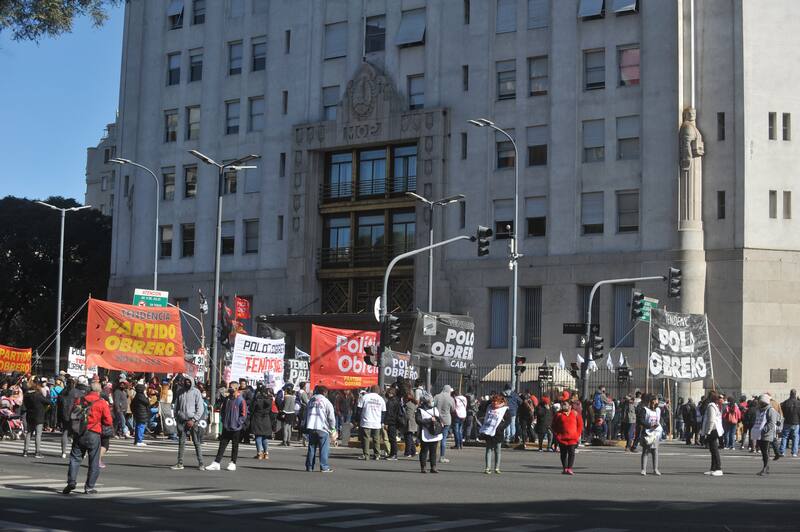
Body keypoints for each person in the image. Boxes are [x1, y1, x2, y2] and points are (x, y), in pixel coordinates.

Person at [63, 382, 113, 495]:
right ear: (99, 391)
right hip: (94, 432)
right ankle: (89, 487)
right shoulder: (101, 402)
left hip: (79, 432)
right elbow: (108, 421)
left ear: (89, 389)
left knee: (75, 458)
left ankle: (71, 481)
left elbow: (72, 414)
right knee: (94, 461)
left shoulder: (80, 400)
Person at [206, 383, 247, 471]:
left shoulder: (240, 400)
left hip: (236, 427)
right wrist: (224, 420)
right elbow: (223, 410)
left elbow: (243, 414)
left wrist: (238, 423)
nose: (229, 389)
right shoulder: (227, 399)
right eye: (229, 387)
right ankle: (216, 462)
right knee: (222, 445)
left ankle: (233, 462)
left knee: (235, 446)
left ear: (236, 388)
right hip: (227, 426)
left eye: (231, 387)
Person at [171, 376, 205, 470]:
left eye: (189, 382)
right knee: (181, 442)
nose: (187, 383)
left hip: (192, 421)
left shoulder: (196, 392)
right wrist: (176, 417)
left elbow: (200, 408)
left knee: (196, 442)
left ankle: (201, 463)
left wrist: (193, 420)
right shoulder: (180, 392)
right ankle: (180, 463)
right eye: (186, 381)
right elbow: (176, 406)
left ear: (192, 382)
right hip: (181, 420)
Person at [304, 385, 336, 472]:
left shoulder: (311, 401)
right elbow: (331, 417)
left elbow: (305, 413)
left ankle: (309, 466)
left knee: (311, 447)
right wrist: (333, 428)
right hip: (322, 427)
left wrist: (305, 425)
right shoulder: (326, 401)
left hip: (311, 426)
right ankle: (324, 467)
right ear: (325, 392)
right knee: (324, 448)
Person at [479, 393, 511, 474]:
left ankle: (497, 468)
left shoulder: (504, 409)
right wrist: (489, 400)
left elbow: (508, 421)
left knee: (497, 450)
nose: (493, 403)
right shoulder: (489, 407)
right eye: (492, 401)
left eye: (495, 401)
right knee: (488, 449)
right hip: (488, 431)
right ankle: (487, 468)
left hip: (498, 432)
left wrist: (501, 427)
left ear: (499, 402)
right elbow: (481, 408)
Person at [552, 399, 582, 475]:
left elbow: (580, 425)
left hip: (572, 438)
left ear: (570, 406)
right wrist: (557, 435)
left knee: (571, 452)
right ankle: (565, 468)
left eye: (565, 404)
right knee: (563, 453)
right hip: (562, 438)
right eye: (563, 404)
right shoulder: (559, 414)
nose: (563, 406)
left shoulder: (575, 414)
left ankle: (569, 468)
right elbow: (554, 426)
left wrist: (577, 435)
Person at [22, 379, 50, 458]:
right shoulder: (38, 395)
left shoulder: (26, 395)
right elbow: (48, 401)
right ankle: (37, 452)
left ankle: (25, 451)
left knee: (29, 433)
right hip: (39, 415)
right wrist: (47, 395)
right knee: (38, 434)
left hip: (29, 415)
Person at [415, 393, 442, 473]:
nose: (431, 402)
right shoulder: (420, 410)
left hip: (434, 433)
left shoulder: (435, 409)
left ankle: (433, 467)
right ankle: (423, 467)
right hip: (425, 433)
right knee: (424, 450)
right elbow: (418, 421)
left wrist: (439, 422)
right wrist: (430, 420)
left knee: (433, 451)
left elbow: (439, 419)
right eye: (430, 401)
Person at [358, 385, 386, 460]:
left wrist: (358, 420)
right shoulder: (381, 399)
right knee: (376, 439)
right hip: (377, 422)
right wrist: (382, 422)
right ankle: (377, 455)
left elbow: (359, 409)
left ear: (371, 390)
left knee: (366, 439)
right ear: (378, 391)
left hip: (366, 421)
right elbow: (383, 412)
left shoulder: (365, 397)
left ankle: (366, 455)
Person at [700, 390, 724, 476]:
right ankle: (713, 468)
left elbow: (711, 420)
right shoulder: (715, 406)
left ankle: (718, 468)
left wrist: (708, 431)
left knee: (714, 449)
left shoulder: (711, 406)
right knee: (713, 449)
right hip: (715, 429)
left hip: (713, 429)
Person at [754, 394, 779, 475]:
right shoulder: (759, 410)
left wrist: (763, 430)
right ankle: (766, 467)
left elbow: (771, 423)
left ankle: (765, 468)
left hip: (766, 434)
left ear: (764, 402)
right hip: (759, 433)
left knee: (765, 452)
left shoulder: (770, 410)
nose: (759, 403)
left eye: (760, 402)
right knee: (764, 452)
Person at [638, 394, 663, 476]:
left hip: (656, 433)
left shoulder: (658, 410)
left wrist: (657, 426)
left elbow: (659, 420)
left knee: (655, 451)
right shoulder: (645, 410)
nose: (657, 401)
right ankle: (643, 469)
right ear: (651, 401)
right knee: (645, 451)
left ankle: (655, 469)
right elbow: (640, 420)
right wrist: (649, 425)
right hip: (647, 433)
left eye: (657, 400)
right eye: (655, 400)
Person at [250, 384, 273, 460]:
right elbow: (271, 410)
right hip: (266, 418)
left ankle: (259, 453)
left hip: (257, 418)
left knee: (258, 436)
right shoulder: (269, 400)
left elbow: (251, 409)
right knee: (264, 437)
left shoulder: (257, 399)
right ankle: (266, 453)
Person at [779, 389, 800, 457]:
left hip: (787, 421)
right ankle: (794, 452)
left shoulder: (786, 402)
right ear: (795, 394)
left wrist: (785, 416)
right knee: (795, 437)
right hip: (796, 422)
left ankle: (782, 451)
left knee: (785, 436)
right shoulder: (798, 403)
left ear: (790, 394)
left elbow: (781, 409)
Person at [384, 388, 402, 460]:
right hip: (395, 421)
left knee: (392, 439)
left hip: (391, 422)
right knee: (392, 438)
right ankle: (392, 454)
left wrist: (386, 423)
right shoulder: (397, 400)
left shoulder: (390, 402)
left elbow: (389, 413)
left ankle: (394, 454)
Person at [403, 393, 418, 458]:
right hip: (412, 422)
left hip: (409, 423)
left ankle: (408, 452)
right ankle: (413, 451)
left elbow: (407, 416)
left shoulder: (407, 405)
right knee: (410, 437)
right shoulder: (413, 404)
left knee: (408, 438)